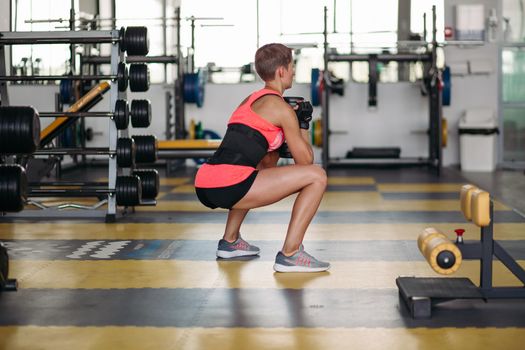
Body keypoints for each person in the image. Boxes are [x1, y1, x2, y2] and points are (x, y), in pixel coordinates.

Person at [194, 43, 329, 273]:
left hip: (206, 182)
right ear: (281, 71)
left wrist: (283, 139)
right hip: (230, 184)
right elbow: (305, 162)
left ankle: (230, 241)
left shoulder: (249, 101)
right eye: (292, 66)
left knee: (249, 168)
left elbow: (265, 164)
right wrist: (302, 123)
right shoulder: (281, 109)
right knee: (317, 176)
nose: (294, 71)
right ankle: (291, 253)